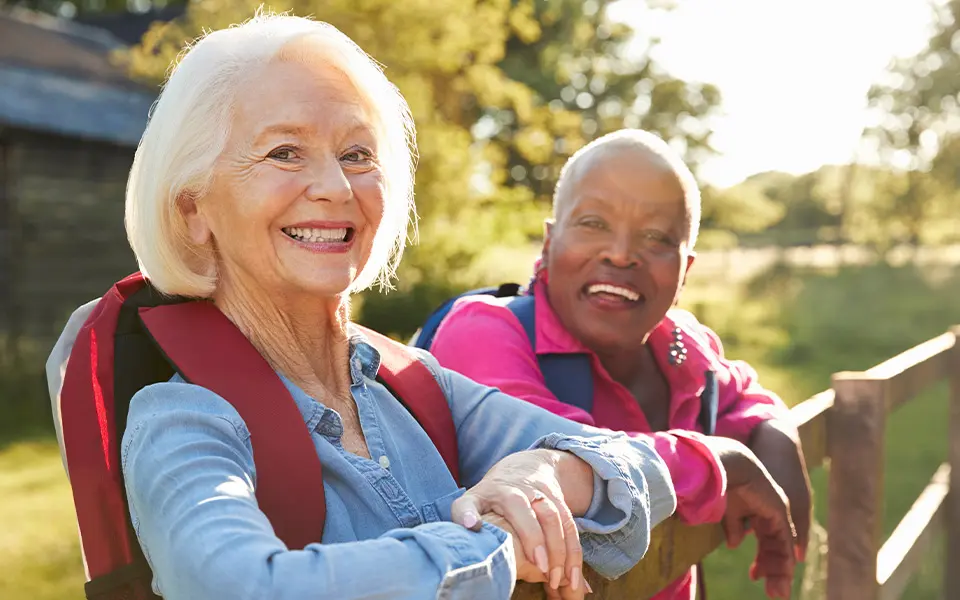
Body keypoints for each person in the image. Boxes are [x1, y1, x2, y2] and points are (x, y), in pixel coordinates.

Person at [44, 14, 692, 600]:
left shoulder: (414, 386)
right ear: (193, 211)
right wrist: (494, 547)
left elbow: (636, 464)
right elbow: (240, 586)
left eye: (358, 155)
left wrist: (540, 470)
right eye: (284, 152)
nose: (335, 188)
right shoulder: (184, 419)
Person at [429, 129, 812, 599]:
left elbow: (743, 397)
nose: (621, 253)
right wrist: (723, 463)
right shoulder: (484, 334)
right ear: (548, 244)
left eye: (655, 236)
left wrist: (777, 434)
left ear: (684, 271)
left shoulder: (682, 346)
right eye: (593, 222)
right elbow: (567, 466)